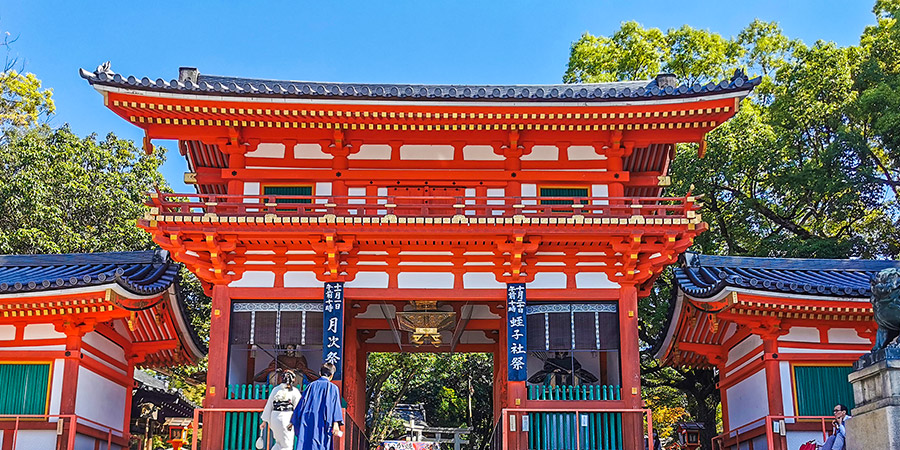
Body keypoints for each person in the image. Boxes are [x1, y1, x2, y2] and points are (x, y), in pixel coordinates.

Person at [290, 363, 344, 450]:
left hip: (308, 421)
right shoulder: (333, 388)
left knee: (307, 443)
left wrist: (294, 420)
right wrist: (336, 423)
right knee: (322, 444)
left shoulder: (310, 386)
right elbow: (336, 407)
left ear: (319, 373)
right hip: (324, 422)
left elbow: (301, 404)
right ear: (332, 375)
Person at [259, 370, 302, 450]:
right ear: (293, 379)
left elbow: (269, 405)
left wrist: (264, 421)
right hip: (287, 418)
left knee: (279, 443)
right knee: (287, 445)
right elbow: (298, 408)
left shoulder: (276, 389)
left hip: (275, 418)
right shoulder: (294, 391)